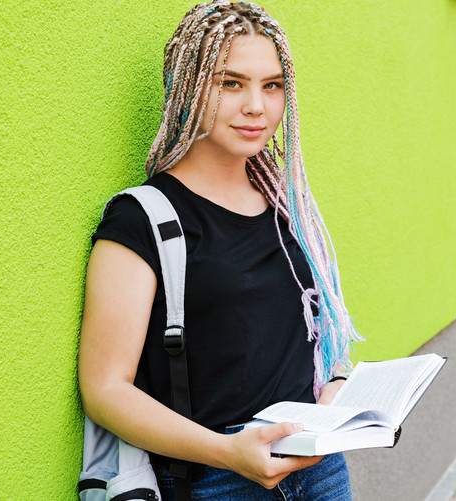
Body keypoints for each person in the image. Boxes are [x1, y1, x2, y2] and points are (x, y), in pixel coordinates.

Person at [77, 2, 362, 499]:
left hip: (320, 469)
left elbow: (307, 339)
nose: (257, 105)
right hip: (215, 478)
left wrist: (335, 395)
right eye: (231, 83)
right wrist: (225, 452)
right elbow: (105, 390)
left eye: (272, 85)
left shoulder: (287, 205)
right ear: (187, 88)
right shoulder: (144, 218)